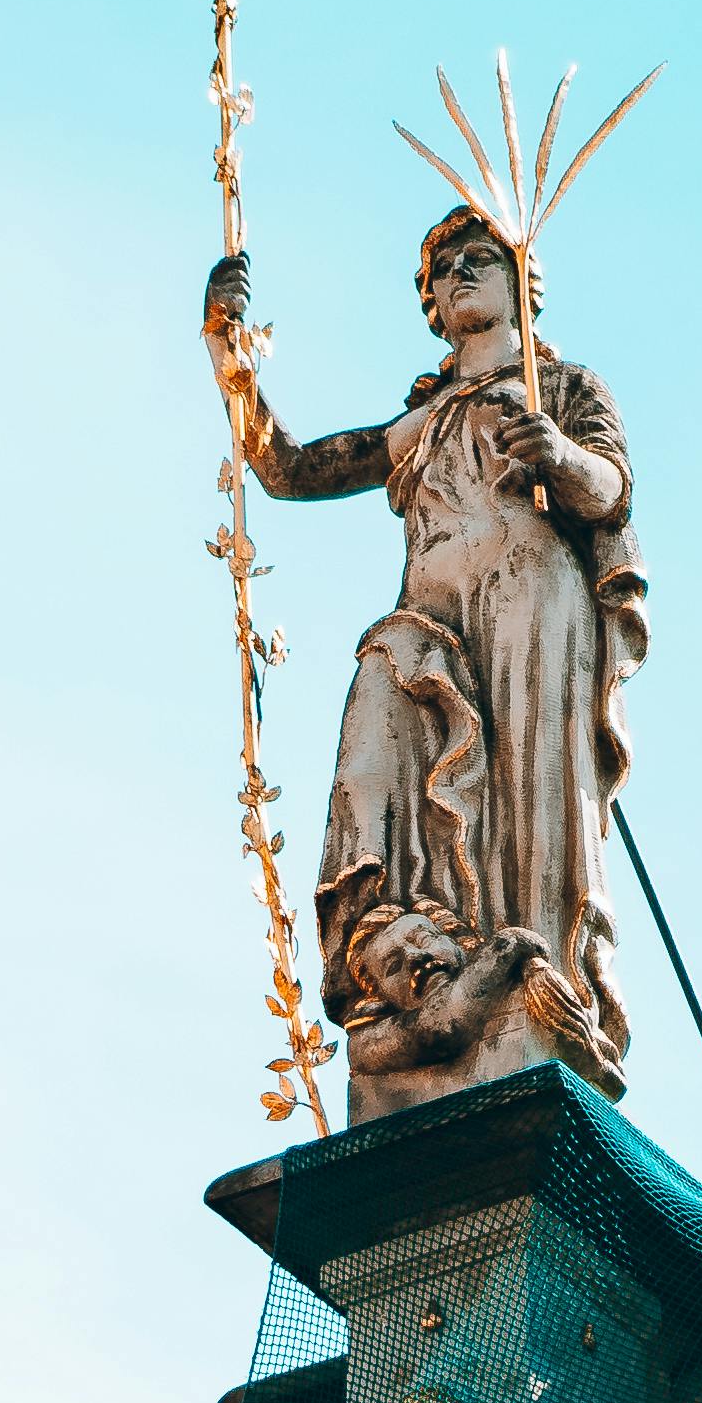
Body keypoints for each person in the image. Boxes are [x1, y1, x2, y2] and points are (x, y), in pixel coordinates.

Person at [201, 206, 645, 1116]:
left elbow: (609, 489)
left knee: (529, 795)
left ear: (523, 282)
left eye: (480, 260)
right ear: (431, 310)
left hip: (532, 598)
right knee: (382, 696)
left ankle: (535, 981)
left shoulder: (561, 384)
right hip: (431, 613)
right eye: (443, 274)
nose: (459, 278)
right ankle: (409, 956)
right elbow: (289, 469)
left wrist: (556, 453)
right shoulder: (423, 420)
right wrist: (228, 351)